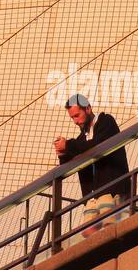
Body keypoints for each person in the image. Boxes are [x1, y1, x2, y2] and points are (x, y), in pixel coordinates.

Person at [53, 94, 131, 237]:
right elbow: (69, 163)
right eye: (72, 118)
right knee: (88, 233)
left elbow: (97, 145)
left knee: (109, 228)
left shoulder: (106, 122)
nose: (75, 122)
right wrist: (62, 153)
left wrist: (68, 145)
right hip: (93, 196)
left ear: (88, 109)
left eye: (77, 116)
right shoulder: (81, 140)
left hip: (112, 189)